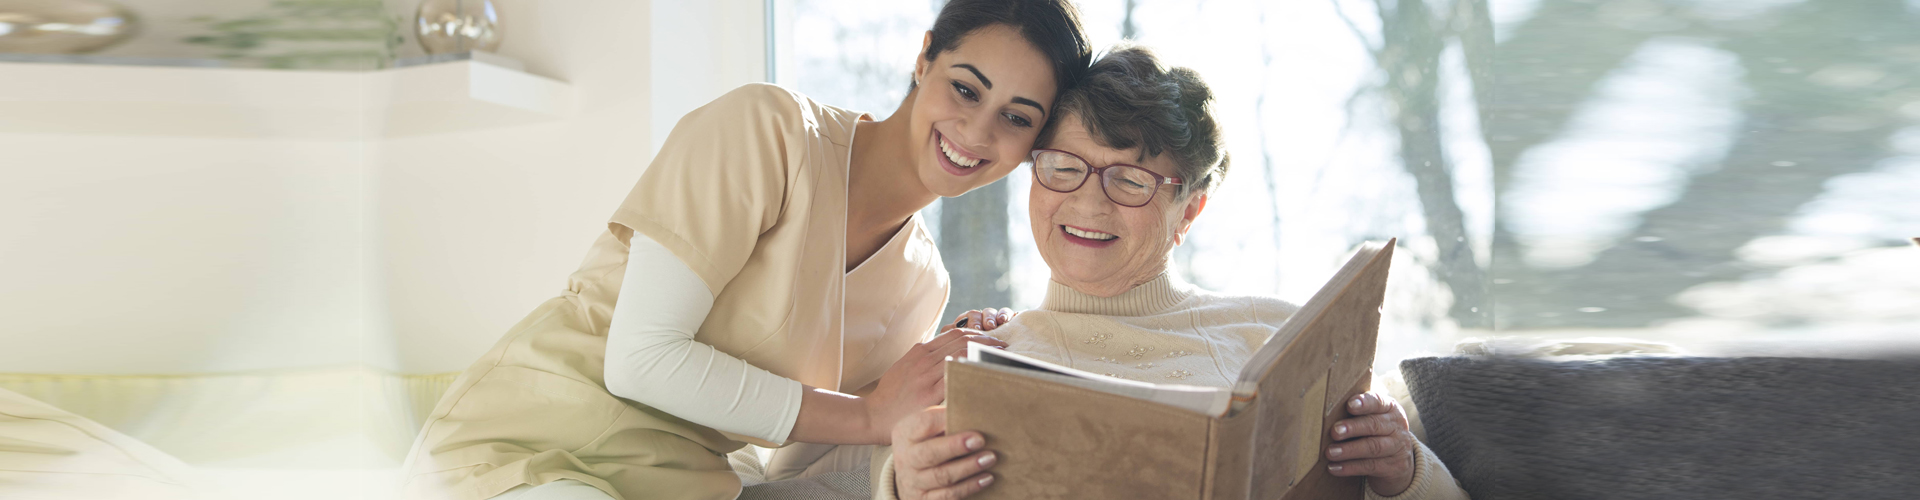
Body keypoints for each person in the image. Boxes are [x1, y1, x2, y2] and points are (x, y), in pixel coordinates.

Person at [397, 2, 1092, 499]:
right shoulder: (770, 133)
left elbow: (797, 467)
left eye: (1017, 118)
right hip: (528, 451)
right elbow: (641, 360)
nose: (975, 129)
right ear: (924, 57)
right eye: (964, 88)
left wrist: (948, 385)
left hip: (688, 486)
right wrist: (870, 414)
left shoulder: (921, 287)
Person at [878, 45, 1471, 500]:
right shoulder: (981, 356)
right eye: (1062, 167)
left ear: (1188, 209)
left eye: (1130, 180)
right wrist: (903, 484)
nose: (1088, 203)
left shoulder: (1276, 335)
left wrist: (1405, 469)